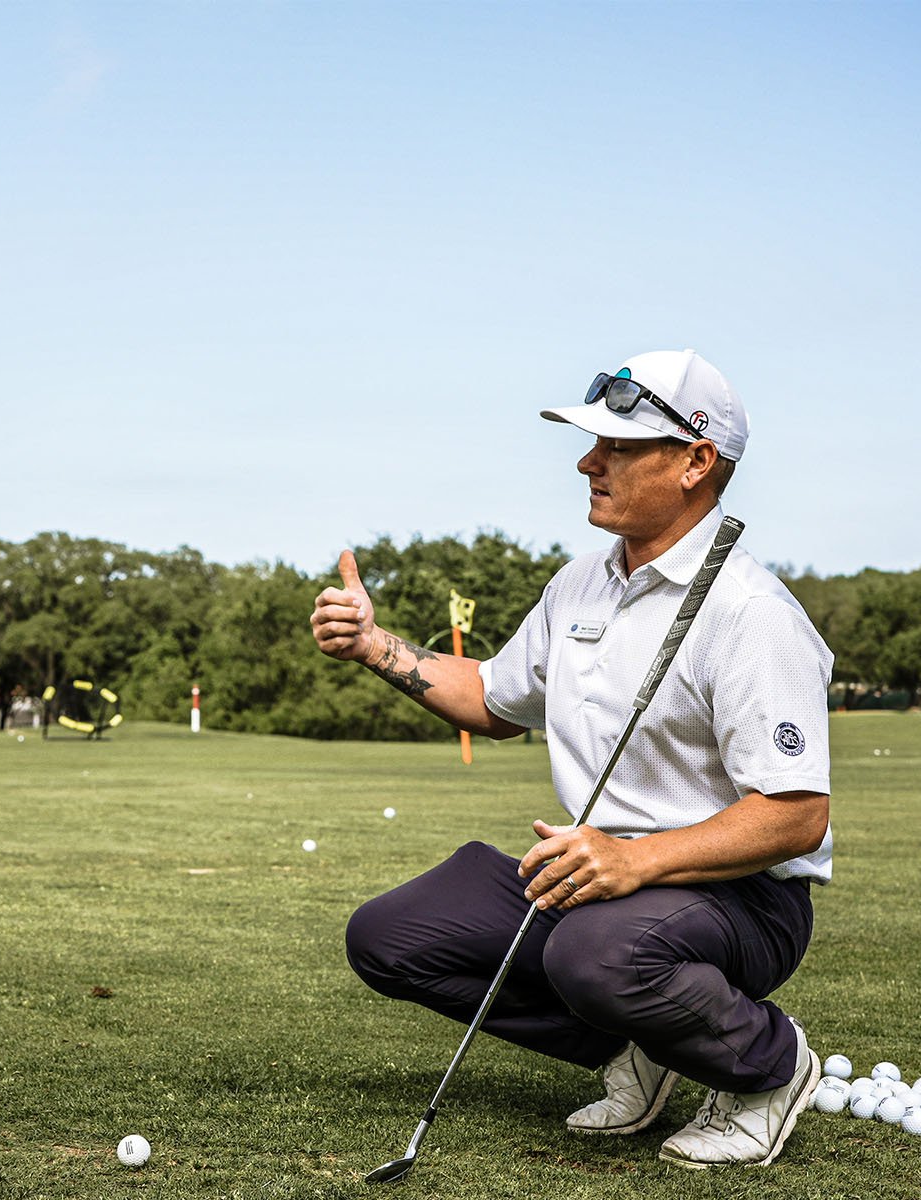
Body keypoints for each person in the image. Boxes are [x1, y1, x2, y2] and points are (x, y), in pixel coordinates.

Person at [311, 350, 833, 1170]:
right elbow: (492, 699)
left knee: (595, 953)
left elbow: (796, 817)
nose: (590, 463)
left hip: (741, 899)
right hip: (597, 876)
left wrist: (635, 862)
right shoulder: (580, 584)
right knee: (391, 937)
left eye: (619, 447)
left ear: (696, 462)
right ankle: (641, 1048)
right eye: (595, 444)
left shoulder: (752, 613)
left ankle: (770, 1067)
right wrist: (374, 645)